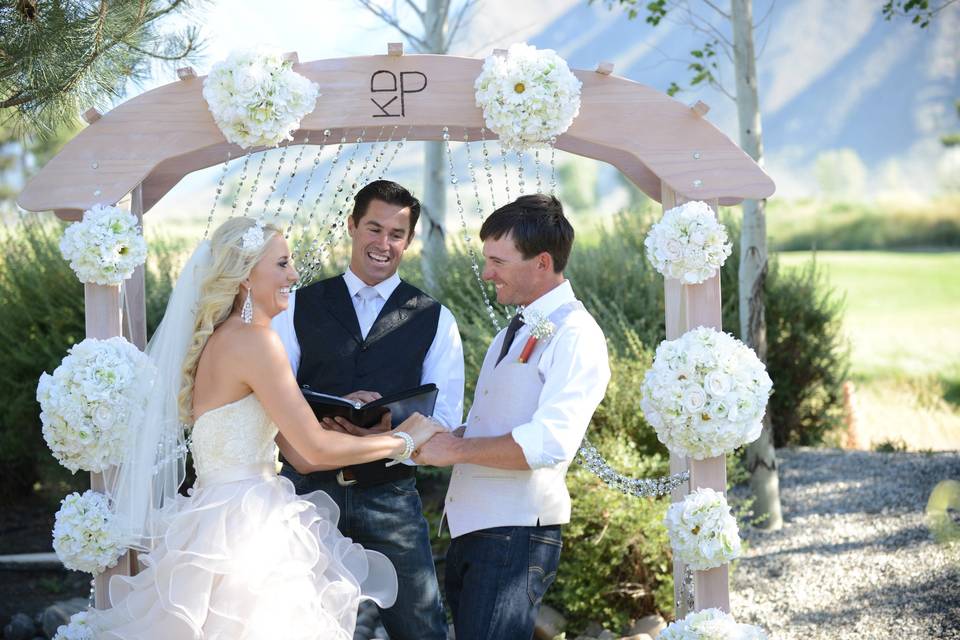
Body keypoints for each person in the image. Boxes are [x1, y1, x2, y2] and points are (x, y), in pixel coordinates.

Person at [89, 217, 445, 639]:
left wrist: (362, 435)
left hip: (215, 517)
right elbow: (314, 450)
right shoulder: (257, 342)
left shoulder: (224, 339)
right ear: (244, 277)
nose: (294, 275)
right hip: (246, 529)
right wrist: (404, 440)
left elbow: (296, 454)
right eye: (282, 264)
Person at [272, 179, 464, 640]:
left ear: (408, 240)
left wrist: (385, 428)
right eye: (373, 228)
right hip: (305, 493)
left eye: (396, 234)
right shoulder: (297, 304)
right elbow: (272, 397)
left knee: (422, 628)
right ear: (353, 226)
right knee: (295, 624)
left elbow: (448, 418)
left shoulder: (434, 318)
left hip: (390, 495)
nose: (383, 244)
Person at [414, 194, 611, 640]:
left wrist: (456, 449)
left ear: (542, 262)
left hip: (516, 535)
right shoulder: (511, 330)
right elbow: (497, 423)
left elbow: (550, 442)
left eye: (498, 261)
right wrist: (430, 435)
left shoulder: (577, 336)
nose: (486, 273)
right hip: (476, 530)